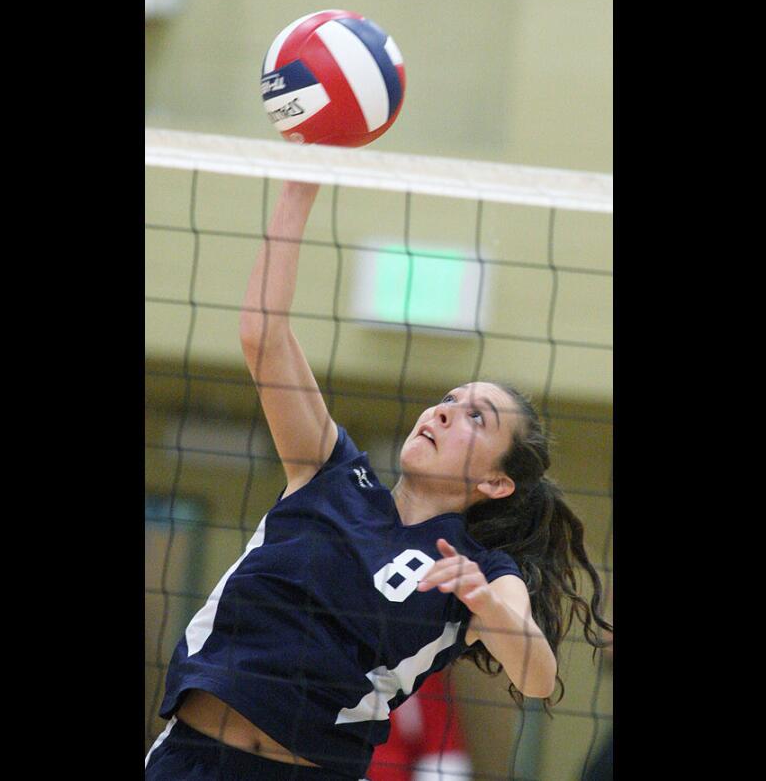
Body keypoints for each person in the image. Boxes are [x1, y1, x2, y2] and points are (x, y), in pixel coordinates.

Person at [145, 180, 612, 780]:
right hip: (190, 759)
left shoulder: (481, 569)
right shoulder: (329, 471)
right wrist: (297, 190)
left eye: (476, 417)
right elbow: (263, 336)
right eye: (448, 398)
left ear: (497, 483)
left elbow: (537, 674)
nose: (443, 411)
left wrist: (486, 603)